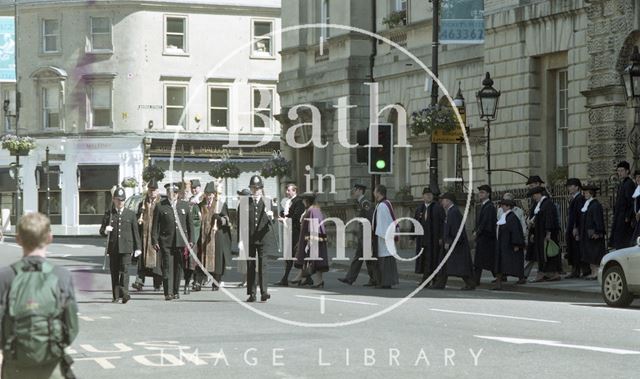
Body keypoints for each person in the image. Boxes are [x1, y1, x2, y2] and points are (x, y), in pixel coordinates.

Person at [0, 213, 79, 379]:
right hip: (52, 365)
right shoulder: (62, 276)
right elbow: (71, 327)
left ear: (18, 239)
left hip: (14, 365)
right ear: (50, 238)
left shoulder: (5, 277)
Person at [151, 183, 193, 301]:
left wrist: (191, 240)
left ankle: (175, 290)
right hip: (166, 241)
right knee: (167, 266)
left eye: (175, 192)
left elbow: (189, 224)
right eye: (170, 192)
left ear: (178, 193)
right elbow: (155, 226)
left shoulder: (184, 205)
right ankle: (167, 292)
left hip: (180, 241)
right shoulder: (160, 206)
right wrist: (154, 240)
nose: (172, 195)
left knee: (179, 266)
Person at [99, 187, 141, 304]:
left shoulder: (130, 214)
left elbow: (135, 232)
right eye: (118, 200)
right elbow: (101, 231)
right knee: (115, 272)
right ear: (113, 199)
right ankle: (116, 296)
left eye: (122, 200)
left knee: (125, 270)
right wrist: (106, 230)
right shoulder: (109, 214)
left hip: (126, 247)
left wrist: (138, 247)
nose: (120, 202)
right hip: (113, 248)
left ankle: (125, 293)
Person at [238, 175, 273, 302]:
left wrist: (271, 216)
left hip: (263, 238)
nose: (255, 190)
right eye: (253, 188)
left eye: (257, 188)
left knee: (263, 265)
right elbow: (241, 222)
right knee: (251, 265)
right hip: (250, 238)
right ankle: (252, 293)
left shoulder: (267, 202)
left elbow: (271, 221)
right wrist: (240, 240)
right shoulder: (244, 203)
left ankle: (264, 292)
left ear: (261, 189)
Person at [432, 192, 475, 290]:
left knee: (459, 266)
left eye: (443, 201)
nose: (442, 203)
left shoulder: (454, 212)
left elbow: (456, 229)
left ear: (448, 201)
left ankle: (470, 283)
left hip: (456, 244)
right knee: (445, 264)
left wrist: (449, 241)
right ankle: (440, 283)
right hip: (451, 243)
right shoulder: (451, 211)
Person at [195, 182, 232, 291]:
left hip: (216, 235)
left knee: (217, 260)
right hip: (204, 235)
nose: (209, 196)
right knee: (201, 258)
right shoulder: (201, 205)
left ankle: (216, 281)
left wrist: (220, 219)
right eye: (207, 193)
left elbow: (227, 220)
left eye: (211, 193)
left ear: (214, 194)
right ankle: (199, 280)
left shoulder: (220, 205)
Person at [338, 184, 377, 286]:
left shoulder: (365, 203)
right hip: (363, 234)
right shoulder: (361, 203)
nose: (353, 192)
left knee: (367, 258)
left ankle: (374, 278)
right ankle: (350, 278)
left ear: (360, 190)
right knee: (359, 257)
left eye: (354, 190)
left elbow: (369, 219)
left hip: (366, 235)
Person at [290, 192, 329, 287]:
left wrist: (310, 241)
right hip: (310, 239)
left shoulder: (313, 211)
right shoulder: (312, 209)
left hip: (312, 240)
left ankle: (302, 277)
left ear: (307, 201)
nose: (302, 202)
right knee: (311, 260)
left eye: (303, 200)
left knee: (313, 260)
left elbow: (314, 227)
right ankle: (313, 280)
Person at [133, 179, 162, 291]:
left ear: (157, 191)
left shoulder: (160, 202)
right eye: (150, 190)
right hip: (144, 235)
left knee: (157, 262)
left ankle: (157, 283)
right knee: (142, 260)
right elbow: (137, 216)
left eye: (154, 190)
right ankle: (139, 282)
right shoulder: (143, 203)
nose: (152, 192)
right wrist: (138, 220)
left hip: (156, 235)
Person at [527, 186, 562, 282]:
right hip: (539, 233)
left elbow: (549, 219)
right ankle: (549, 273)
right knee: (544, 254)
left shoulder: (547, 204)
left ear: (539, 194)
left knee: (548, 254)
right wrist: (533, 232)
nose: (533, 198)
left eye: (534, 195)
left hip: (546, 233)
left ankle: (546, 273)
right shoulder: (540, 204)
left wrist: (548, 233)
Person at [274, 183, 306, 286]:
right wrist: (283, 215)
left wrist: (284, 219)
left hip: (295, 232)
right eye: (286, 190)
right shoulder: (290, 202)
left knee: (294, 255)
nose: (286, 192)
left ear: (294, 191)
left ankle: (289, 278)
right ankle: (301, 277)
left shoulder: (299, 202)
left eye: (288, 190)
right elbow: (289, 214)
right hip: (289, 231)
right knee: (291, 255)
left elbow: (296, 218)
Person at [413, 185, 445, 286]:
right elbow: (415, 222)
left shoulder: (437, 208)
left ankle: (431, 280)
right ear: (423, 197)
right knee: (425, 260)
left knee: (433, 259)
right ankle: (426, 279)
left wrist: (441, 237)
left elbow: (442, 223)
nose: (429, 197)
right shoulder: (420, 209)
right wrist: (412, 236)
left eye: (430, 195)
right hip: (422, 239)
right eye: (427, 195)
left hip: (434, 239)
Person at [371, 185, 399, 289]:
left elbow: (383, 223)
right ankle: (384, 281)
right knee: (386, 259)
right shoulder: (385, 203)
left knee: (385, 260)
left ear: (379, 193)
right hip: (385, 237)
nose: (374, 193)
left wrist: (382, 235)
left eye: (375, 191)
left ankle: (385, 282)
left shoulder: (383, 205)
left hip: (383, 237)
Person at [493, 199, 526, 290]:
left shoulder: (512, 218)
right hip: (503, 244)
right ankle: (498, 283)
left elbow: (515, 231)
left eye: (503, 205)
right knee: (501, 264)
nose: (501, 207)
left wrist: (516, 244)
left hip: (508, 245)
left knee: (510, 263)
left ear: (508, 207)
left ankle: (521, 277)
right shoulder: (506, 216)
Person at [579, 185, 607, 280]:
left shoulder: (595, 205)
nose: (585, 195)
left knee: (594, 253)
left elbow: (598, 220)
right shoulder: (588, 204)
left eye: (586, 193)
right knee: (589, 252)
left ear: (591, 193)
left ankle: (596, 273)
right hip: (588, 232)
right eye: (584, 193)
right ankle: (593, 272)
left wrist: (598, 232)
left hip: (593, 232)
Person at [473, 185, 497, 285]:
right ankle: (476, 279)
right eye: (480, 192)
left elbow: (485, 222)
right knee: (481, 260)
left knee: (483, 260)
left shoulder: (489, 206)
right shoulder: (483, 205)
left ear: (488, 194)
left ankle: (498, 275)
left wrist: (477, 232)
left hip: (486, 237)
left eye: (482, 192)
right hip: (483, 237)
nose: (480, 194)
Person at [183, 179, 203, 294]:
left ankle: (197, 280)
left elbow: (200, 218)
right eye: (192, 188)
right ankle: (191, 281)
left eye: (195, 188)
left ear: (200, 187)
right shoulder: (190, 201)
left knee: (198, 259)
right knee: (190, 258)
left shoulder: (202, 198)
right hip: (192, 234)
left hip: (199, 233)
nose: (194, 190)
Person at [565, 178, 588, 279]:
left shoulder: (579, 198)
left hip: (575, 227)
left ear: (577, 187)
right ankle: (576, 270)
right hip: (571, 227)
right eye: (568, 186)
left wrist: (576, 227)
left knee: (577, 249)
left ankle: (581, 270)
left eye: (571, 186)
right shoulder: (574, 198)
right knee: (573, 249)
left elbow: (578, 215)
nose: (569, 188)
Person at [610, 161, 635, 250]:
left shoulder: (629, 184)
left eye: (621, 171)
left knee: (623, 244)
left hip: (624, 220)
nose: (619, 173)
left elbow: (631, 202)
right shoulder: (623, 183)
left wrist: (627, 216)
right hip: (619, 217)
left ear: (627, 171)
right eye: (618, 171)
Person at [631, 170, 640, 243]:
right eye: (636, 177)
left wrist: (639, 213)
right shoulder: (638, 188)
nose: (638, 179)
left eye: (639, 177)